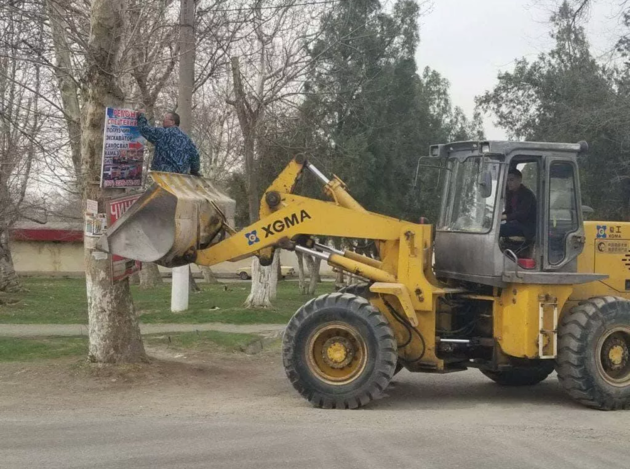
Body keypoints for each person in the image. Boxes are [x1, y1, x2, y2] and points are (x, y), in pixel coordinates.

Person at [136, 110, 201, 176]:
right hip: (181, 178)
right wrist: (194, 171)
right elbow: (195, 156)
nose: (163, 120)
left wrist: (141, 116)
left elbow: (144, 129)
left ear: (172, 122)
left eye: (165, 118)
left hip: (163, 176)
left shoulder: (163, 133)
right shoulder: (187, 139)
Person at [500, 168, 536, 240]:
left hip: (526, 227)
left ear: (519, 180)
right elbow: (508, 211)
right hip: (515, 224)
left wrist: (505, 217)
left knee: (498, 230)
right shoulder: (510, 193)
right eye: (507, 180)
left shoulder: (527, 194)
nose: (509, 183)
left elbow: (522, 214)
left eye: (511, 180)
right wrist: (498, 217)